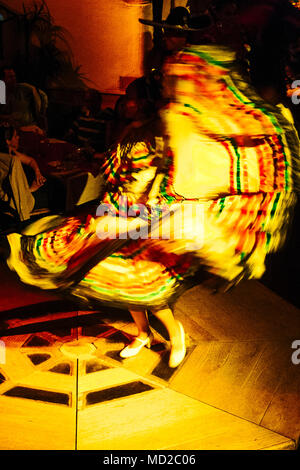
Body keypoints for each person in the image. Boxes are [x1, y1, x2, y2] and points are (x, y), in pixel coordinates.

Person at [1, 2, 299, 369]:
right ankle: (143, 333)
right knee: (113, 268)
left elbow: (207, 158)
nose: (178, 76)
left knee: (149, 277)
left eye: (178, 40)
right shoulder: (168, 112)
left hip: (174, 205)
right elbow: (146, 160)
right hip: (145, 198)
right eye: (174, 72)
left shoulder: (204, 114)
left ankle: (175, 336)